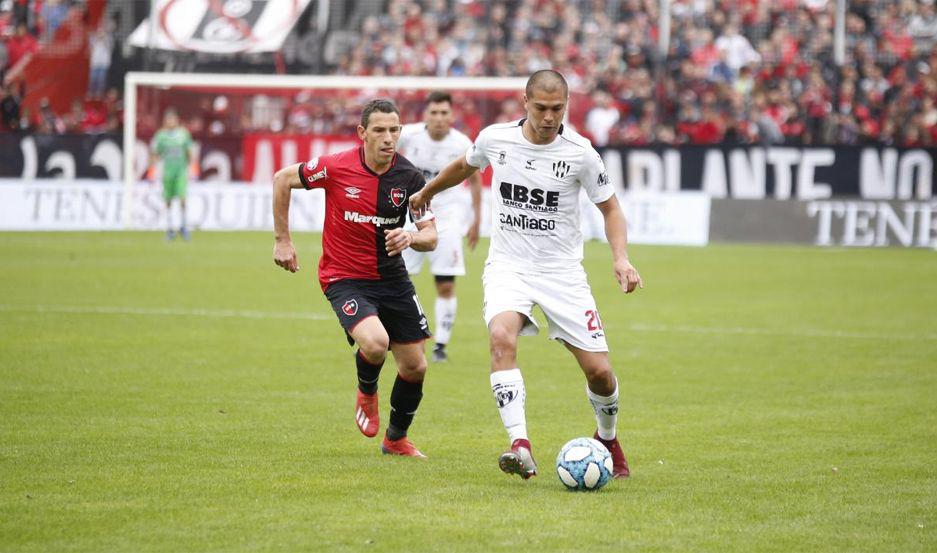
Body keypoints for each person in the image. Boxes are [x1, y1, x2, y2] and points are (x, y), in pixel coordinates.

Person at [410, 70, 643, 480]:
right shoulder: (496, 139)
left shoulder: (581, 154)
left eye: (558, 109)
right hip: (509, 266)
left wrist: (620, 259)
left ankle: (608, 437)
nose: (550, 117)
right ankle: (520, 445)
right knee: (501, 338)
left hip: (562, 273)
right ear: (525, 102)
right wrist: (427, 192)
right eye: (541, 108)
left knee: (600, 373)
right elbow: (465, 166)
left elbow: (611, 209)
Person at [272, 99, 438, 458]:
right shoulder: (335, 167)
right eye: (379, 130)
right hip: (344, 277)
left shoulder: (410, 178)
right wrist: (283, 240)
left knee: (415, 365)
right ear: (363, 133)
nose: (388, 138)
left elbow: (431, 236)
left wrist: (410, 236)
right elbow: (282, 178)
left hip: (393, 280)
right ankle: (367, 390)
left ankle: (396, 439)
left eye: (394, 130)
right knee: (376, 343)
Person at [397, 90, 483, 363]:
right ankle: (396, 335)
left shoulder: (462, 143)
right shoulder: (408, 135)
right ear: (426, 115)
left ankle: (440, 346)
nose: (439, 118)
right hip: (410, 219)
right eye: (434, 112)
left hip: (446, 221)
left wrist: (476, 220)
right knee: (397, 280)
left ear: (452, 116)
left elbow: (477, 182)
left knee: (445, 284)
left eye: (444, 113)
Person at [150, 109, 194, 240]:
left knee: (182, 198)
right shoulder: (160, 136)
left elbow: (189, 151)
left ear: (177, 120)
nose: (170, 122)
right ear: (165, 121)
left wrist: (191, 167)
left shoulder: (183, 134)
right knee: (168, 200)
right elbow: (155, 153)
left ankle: (184, 226)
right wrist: (152, 168)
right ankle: (170, 228)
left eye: (172, 119)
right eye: (168, 120)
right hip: (167, 172)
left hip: (181, 171)